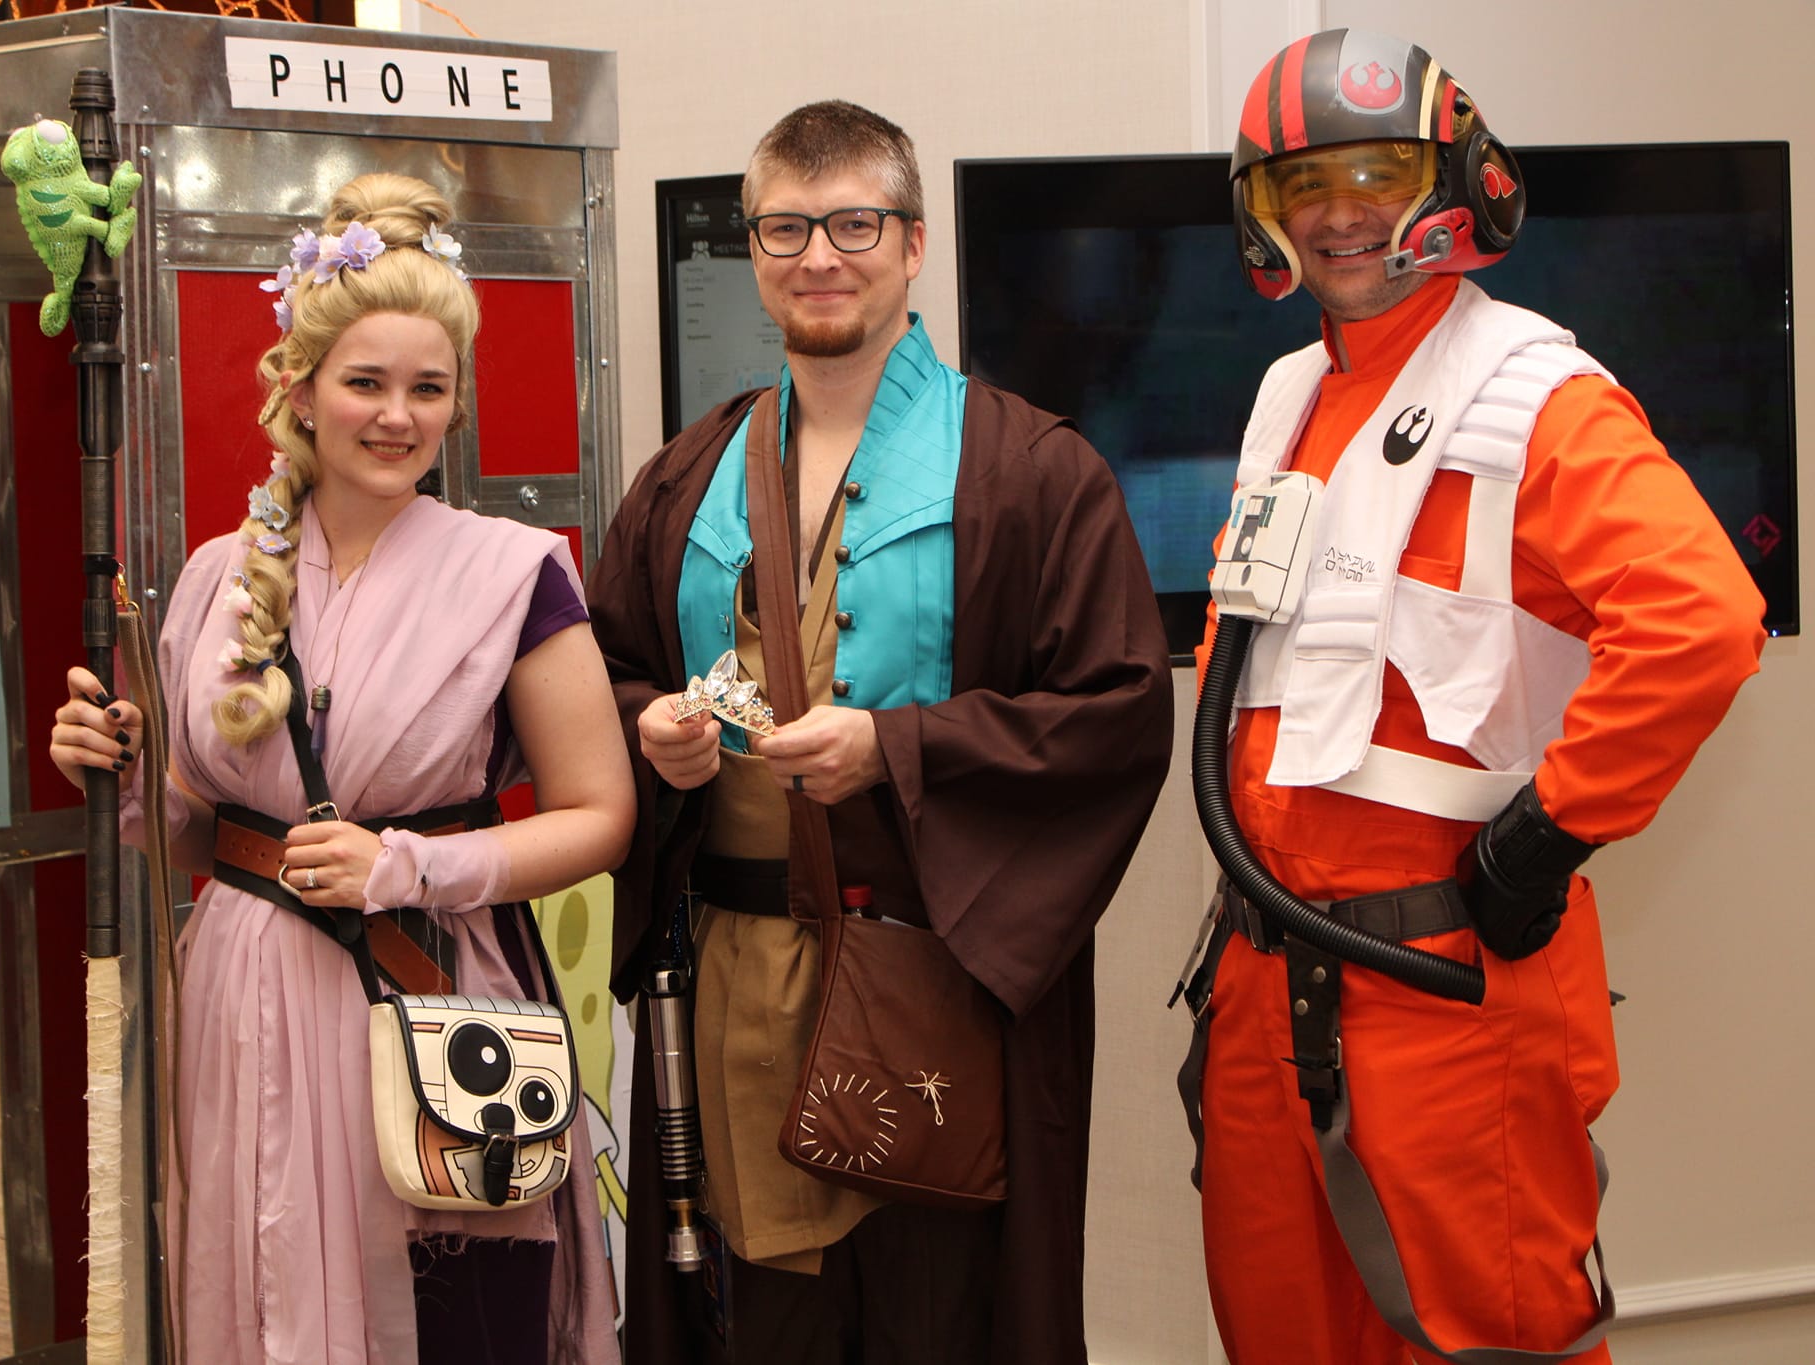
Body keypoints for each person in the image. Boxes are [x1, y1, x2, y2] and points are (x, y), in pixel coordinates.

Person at [1180, 29, 1768, 1365]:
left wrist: (1546, 833)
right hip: (1267, 991)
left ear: (1455, 179)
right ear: (1263, 216)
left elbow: (1700, 616)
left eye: (1376, 173)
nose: (1340, 213)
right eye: (1303, 184)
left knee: (1491, 1342)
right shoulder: (1287, 396)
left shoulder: (1531, 396)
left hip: (1442, 996)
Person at [587, 101, 1174, 1365]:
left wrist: (896, 750)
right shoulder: (686, 476)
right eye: (784, 229)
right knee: (759, 1324)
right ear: (752, 250)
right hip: (735, 985)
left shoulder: (1029, 472)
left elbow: (1118, 714)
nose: (818, 256)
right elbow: (609, 668)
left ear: (912, 245)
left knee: (938, 1318)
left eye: (853, 224)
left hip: (938, 991)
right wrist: (650, 729)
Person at [47, 173, 633, 1365]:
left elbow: (599, 815)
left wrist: (408, 866)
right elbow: (206, 834)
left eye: (429, 388)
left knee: (448, 1304)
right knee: (257, 1286)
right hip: (243, 999)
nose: (397, 417)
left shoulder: (516, 574)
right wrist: (121, 775)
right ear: (300, 387)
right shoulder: (215, 578)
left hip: (424, 994)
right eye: (365, 383)